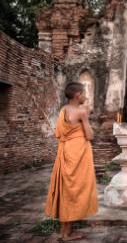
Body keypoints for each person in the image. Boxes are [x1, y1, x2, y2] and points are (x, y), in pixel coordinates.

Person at [45, 82, 98, 241]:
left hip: (67, 151)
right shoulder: (81, 112)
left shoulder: (63, 110)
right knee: (76, 190)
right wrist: (86, 119)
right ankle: (66, 234)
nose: (86, 96)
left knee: (67, 190)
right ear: (77, 95)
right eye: (84, 93)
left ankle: (66, 233)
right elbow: (90, 136)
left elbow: (60, 133)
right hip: (78, 153)